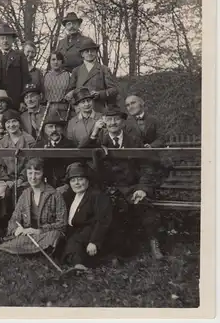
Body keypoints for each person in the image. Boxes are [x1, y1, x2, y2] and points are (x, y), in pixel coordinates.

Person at [79, 105, 164, 260]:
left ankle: (153, 243)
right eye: (109, 119)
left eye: (116, 119)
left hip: (132, 187)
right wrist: (95, 132)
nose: (112, 123)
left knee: (145, 206)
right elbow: (81, 151)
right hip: (108, 188)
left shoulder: (134, 140)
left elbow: (147, 167)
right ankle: (115, 252)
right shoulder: (99, 139)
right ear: (103, 121)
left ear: (122, 122)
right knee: (108, 211)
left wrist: (143, 188)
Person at [0, 158, 67, 256]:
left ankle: (26, 248)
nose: (33, 177)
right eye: (30, 173)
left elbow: (62, 224)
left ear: (43, 174)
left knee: (54, 236)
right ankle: (38, 249)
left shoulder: (55, 195)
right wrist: (16, 229)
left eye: (37, 173)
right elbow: (14, 218)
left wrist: (39, 230)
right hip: (28, 234)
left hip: (44, 234)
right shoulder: (25, 194)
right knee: (20, 238)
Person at [61, 162, 112, 270]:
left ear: (87, 180)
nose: (77, 183)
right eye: (73, 180)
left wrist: (94, 242)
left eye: (80, 179)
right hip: (74, 232)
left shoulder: (96, 196)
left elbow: (102, 220)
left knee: (75, 243)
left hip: (90, 233)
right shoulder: (69, 195)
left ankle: (79, 265)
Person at [65, 39, 119, 113]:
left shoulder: (103, 69)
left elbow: (114, 90)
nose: (90, 53)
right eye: (87, 51)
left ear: (96, 53)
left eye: (92, 51)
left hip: (98, 109)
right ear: (82, 54)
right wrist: (75, 106)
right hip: (81, 111)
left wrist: (100, 94)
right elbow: (70, 92)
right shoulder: (76, 71)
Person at [0, 110, 35, 200]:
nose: (11, 125)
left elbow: (32, 162)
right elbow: (0, 165)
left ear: (19, 122)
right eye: (8, 122)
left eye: (14, 121)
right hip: (7, 181)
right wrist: (7, 180)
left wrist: (21, 179)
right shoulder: (2, 142)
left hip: (26, 180)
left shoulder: (29, 140)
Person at [34, 113, 77, 188]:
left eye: (57, 127)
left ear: (62, 129)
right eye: (50, 127)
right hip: (44, 186)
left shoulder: (71, 145)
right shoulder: (38, 146)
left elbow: (75, 170)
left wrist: (66, 185)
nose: (54, 130)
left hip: (67, 187)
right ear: (44, 129)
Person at [42, 51, 72, 120]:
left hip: (63, 109)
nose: (56, 62)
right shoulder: (45, 75)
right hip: (47, 109)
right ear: (49, 61)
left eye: (58, 59)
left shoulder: (68, 75)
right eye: (53, 59)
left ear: (62, 61)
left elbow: (73, 89)